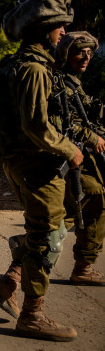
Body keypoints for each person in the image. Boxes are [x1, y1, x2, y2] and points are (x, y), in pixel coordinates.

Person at [0, 0, 82, 341]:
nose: (62, 35)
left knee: (50, 225)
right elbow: (37, 126)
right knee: (44, 239)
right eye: (59, 28)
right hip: (37, 165)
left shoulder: (13, 64)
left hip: (20, 163)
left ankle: (9, 282)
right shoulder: (34, 69)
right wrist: (70, 149)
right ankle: (32, 316)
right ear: (43, 31)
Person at [53, 31, 105, 285]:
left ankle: (83, 265)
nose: (86, 57)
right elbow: (65, 123)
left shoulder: (72, 81)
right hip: (65, 156)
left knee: (90, 200)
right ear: (66, 54)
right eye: (79, 52)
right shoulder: (59, 81)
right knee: (87, 198)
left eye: (89, 52)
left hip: (77, 153)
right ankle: (26, 256)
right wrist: (93, 139)